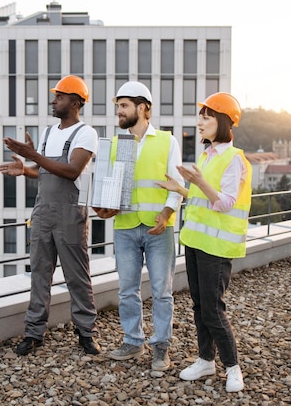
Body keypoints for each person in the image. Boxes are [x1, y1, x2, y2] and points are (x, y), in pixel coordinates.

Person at [0, 75, 101, 356]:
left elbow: (71, 171)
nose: (54, 101)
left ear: (76, 102)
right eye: (55, 96)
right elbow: (46, 171)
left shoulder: (85, 133)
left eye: (60, 96)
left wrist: (34, 156)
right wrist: (26, 169)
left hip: (70, 212)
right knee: (39, 274)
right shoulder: (47, 133)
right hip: (42, 211)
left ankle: (86, 333)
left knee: (77, 276)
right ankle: (33, 333)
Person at [156, 92, 252, 392]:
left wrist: (198, 182)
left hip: (217, 248)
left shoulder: (234, 158)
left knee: (213, 309)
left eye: (207, 116)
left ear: (223, 122)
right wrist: (182, 190)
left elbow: (224, 202)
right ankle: (205, 360)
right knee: (199, 306)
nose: (200, 121)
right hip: (196, 243)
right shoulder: (208, 155)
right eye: (201, 116)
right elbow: (203, 198)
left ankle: (233, 367)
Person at [93, 81, 184, 371]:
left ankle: (160, 347)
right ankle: (133, 342)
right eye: (117, 106)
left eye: (123, 106)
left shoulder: (168, 141)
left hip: (159, 228)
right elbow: (108, 186)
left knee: (161, 291)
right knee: (127, 290)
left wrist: (168, 213)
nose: (118, 111)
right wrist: (104, 208)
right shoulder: (117, 144)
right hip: (125, 227)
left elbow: (177, 185)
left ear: (143, 107)